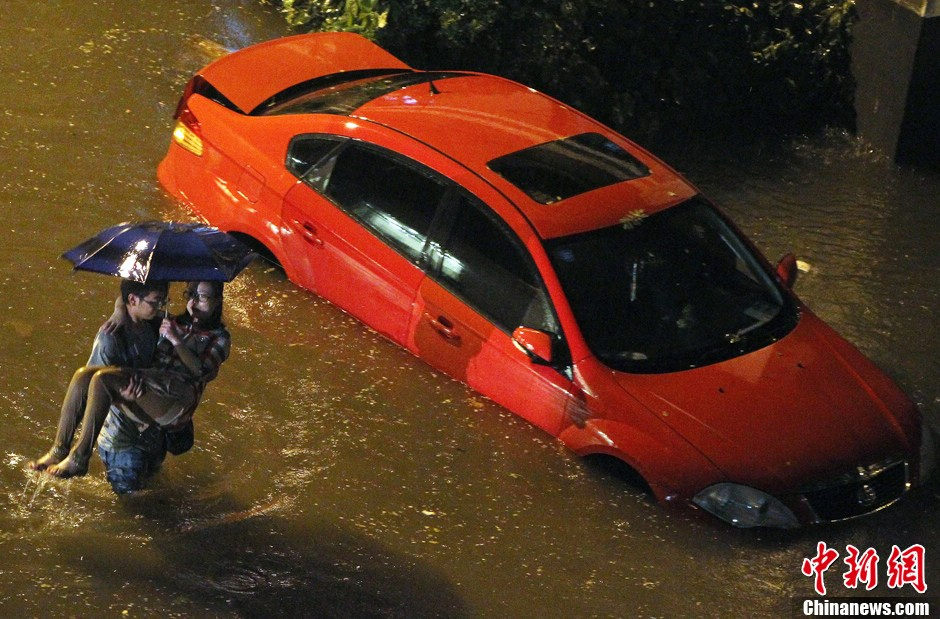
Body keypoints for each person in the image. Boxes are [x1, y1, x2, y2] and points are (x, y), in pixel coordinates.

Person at [30, 280, 231, 494]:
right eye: (190, 294)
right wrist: (119, 311)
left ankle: (79, 458)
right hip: (151, 386)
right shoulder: (170, 321)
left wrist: (175, 339)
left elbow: (201, 371)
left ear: (218, 301)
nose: (193, 302)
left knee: (104, 381)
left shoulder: (219, 337)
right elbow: (134, 298)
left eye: (202, 297)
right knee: (83, 375)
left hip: (177, 398)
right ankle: (59, 449)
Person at [28, 279, 167, 472]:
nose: (160, 308)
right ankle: (63, 452)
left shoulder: (151, 326)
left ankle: (65, 453)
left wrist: (120, 307)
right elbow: (92, 390)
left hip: (145, 426)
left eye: (162, 302)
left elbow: (128, 295)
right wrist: (123, 398)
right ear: (133, 300)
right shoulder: (111, 337)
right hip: (121, 437)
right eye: (155, 302)